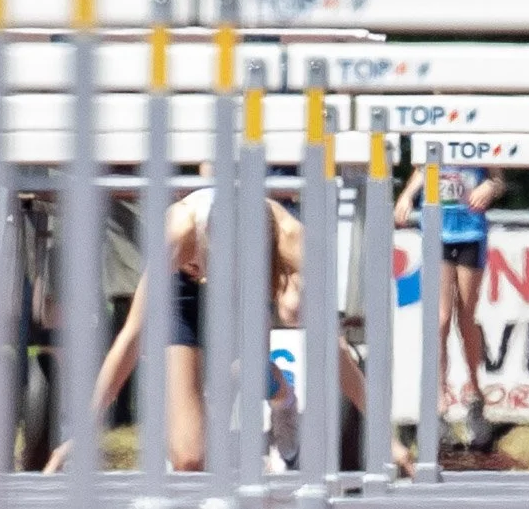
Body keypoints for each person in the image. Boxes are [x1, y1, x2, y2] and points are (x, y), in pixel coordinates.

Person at [45, 187, 413, 475]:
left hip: (251, 293)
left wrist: (387, 439)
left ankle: (281, 396)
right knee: (189, 458)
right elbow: (130, 336)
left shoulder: (294, 241)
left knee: (269, 342)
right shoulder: (178, 232)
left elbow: (333, 350)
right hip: (183, 295)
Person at [394, 165, 505, 448]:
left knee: (465, 317)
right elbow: (421, 168)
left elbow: (498, 178)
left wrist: (491, 187)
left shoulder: (479, 139)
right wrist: (407, 196)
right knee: (440, 318)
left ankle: (474, 393)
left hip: (470, 233)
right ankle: (438, 398)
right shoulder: (435, 136)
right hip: (437, 232)